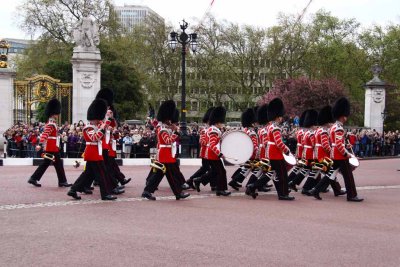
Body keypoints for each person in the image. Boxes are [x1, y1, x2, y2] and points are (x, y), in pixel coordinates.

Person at [67, 99, 117, 201]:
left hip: (95, 152)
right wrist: (102, 128)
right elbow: (95, 138)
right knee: (102, 173)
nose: (99, 120)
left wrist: (108, 119)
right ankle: (105, 194)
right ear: (94, 118)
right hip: (93, 153)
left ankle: (73, 190)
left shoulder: (95, 125)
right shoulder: (88, 128)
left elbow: (104, 127)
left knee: (87, 174)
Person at [141, 100, 190, 200]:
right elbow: (168, 141)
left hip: (166, 154)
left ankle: (147, 191)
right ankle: (178, 193)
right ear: (166, 119)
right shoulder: (163, 129)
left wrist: (174, 131)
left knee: (159, 174)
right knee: (170, 175)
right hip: (165, 155)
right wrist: (175, 132)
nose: (171, 121)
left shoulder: (165, 127)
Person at [28, 98, 71, 188]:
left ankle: (34, 178)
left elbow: (50, 134)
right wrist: (40, 144)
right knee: (55, 164)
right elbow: (45, 134)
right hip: (51, 148)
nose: (57, 115)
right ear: (53, 113)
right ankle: (62, 181)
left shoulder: (52, 122)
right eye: (56, 113)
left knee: (50, 163)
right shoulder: (51, 123)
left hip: (53, 147)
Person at [327, 97, 363, 202]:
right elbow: (338, 144)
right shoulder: (338, 128)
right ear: (343, 116)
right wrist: (346, 153)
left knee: (330, 173)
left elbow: (336, 142)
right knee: (348, 176)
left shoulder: (333, 127)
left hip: (334, 154)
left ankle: (316, 189)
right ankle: (351, 195)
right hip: (340, 155)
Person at [308, 105, 346, 199]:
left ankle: (336, 190)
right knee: (330, 173)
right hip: (323, 155)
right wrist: (331, 152)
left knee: (330, 173)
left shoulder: (318, 130)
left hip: (318, 154)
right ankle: (316, 190)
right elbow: (325, 145)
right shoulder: (324, 131)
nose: (331, 124)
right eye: (330, 122)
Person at [194, 106, 231, 196]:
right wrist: (220, 154)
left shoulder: (213, 129)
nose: (222, 124)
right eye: (221, 122)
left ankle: (199, 180)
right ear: (218, 122)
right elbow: (212, 144)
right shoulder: (214, 130)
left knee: (215, 171)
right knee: (221, 171)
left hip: (211, 154)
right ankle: (220, 189)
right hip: (213, 155)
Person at [263, 98, 294, 200]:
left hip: (271, 152)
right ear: (278, 117)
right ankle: (283, 194)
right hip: (276, 153)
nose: (282, 118)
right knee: (283, 175)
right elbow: (279, 142)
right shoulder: (275, 127)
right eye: (280, 116)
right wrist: (286, 150)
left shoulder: (269, 126)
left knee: (274, 173)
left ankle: (254, 186)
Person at [187, 107, 215, 190]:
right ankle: (193, 180)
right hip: (205, 152)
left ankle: (192, 180)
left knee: (208, 169)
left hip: (209, 152)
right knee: (211, 169)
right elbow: (201, 141)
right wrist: (211, 143)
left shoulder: (212, 129)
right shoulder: (204, 130)